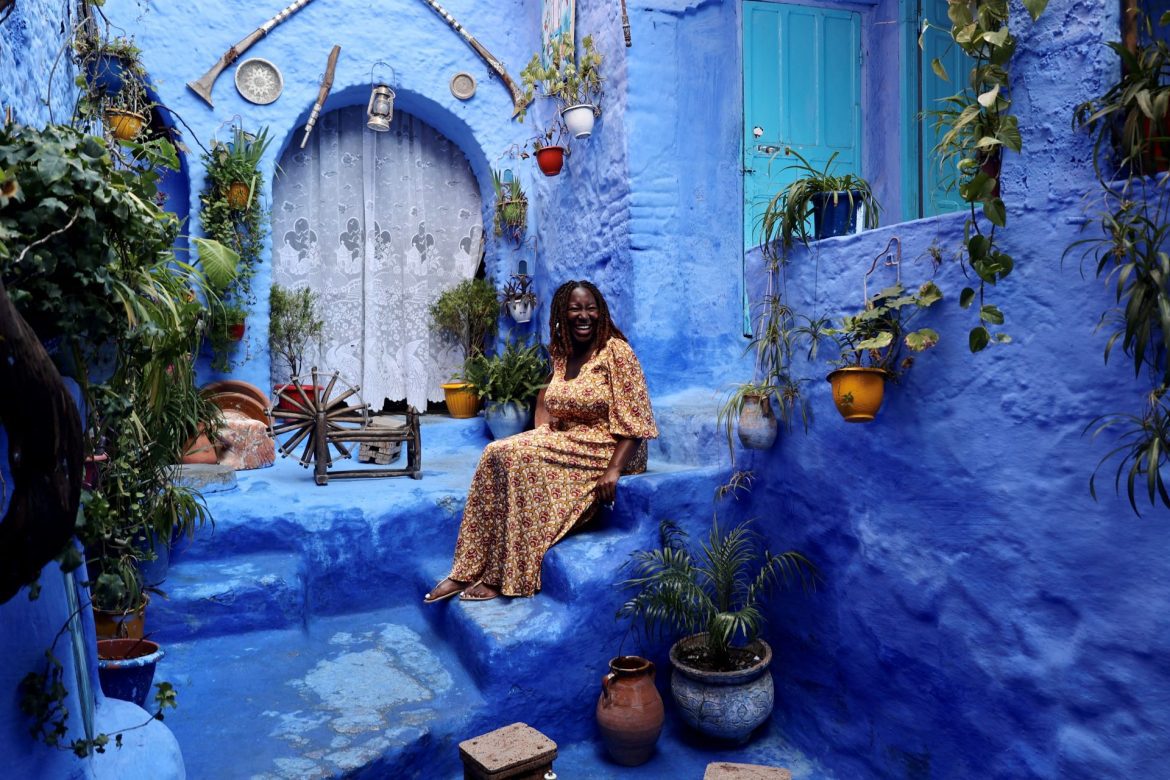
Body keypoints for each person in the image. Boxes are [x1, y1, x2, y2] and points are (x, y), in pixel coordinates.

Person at [424, 280, 658, 602]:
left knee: (516, 458)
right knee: (495, 451)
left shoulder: (616, 351)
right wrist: (540, 434)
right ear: (563, 313)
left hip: (607, 447)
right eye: (575, 308)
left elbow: (636, 419)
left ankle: (503, 575)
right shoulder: (563, 352)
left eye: (591, 308)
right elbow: (548, 400)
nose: (584, 315)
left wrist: (614, 470)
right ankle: (465, 569)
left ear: (600, 311)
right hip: (568, 439)